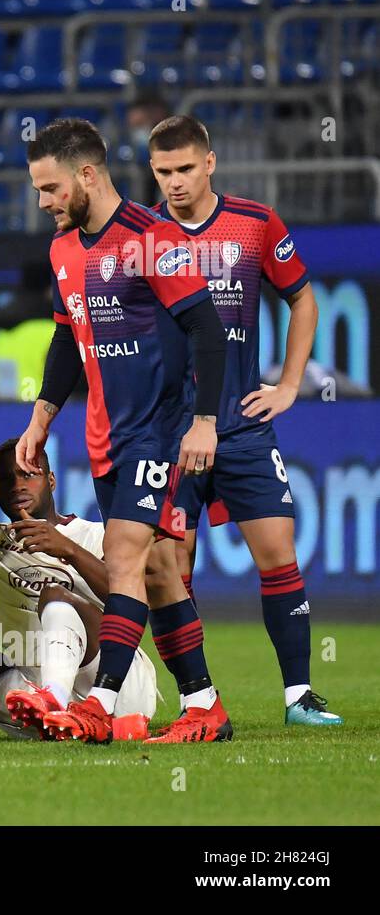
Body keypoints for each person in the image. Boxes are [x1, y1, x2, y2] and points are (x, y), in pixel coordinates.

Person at [17, 117, 231, 745]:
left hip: (160, 432)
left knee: (126, 558)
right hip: (105, 436)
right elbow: (65, 337)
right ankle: (204, 705)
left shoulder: (151, 239)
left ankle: (99, 705)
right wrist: (42, 413)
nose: (43, 202)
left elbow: (208, 332)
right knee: (161, 571)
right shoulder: (62, 251)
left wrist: (205, 423)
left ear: (87, 174)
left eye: (51, 188)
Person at [148, 115, 340, 726]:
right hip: (168, 432)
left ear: (210, 163)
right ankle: (197, 700)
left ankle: (299, 697)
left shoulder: (255, 223)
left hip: (241, 424)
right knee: (171, 568)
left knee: (278, 553)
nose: (174, 182)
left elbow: (303, 297)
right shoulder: (141, 233)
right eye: (162, 172)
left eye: (184, 169)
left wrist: (287, 384)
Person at [0, 440, 158, 740]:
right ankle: (52, 720)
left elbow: (133, 601)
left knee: (55, 595)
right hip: (31, 685)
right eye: (6, 478)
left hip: (114, 684)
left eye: (28, 474)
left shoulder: (95, 535)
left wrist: (70, 550)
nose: (17, 485)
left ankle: (55, 705)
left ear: (51, 481)